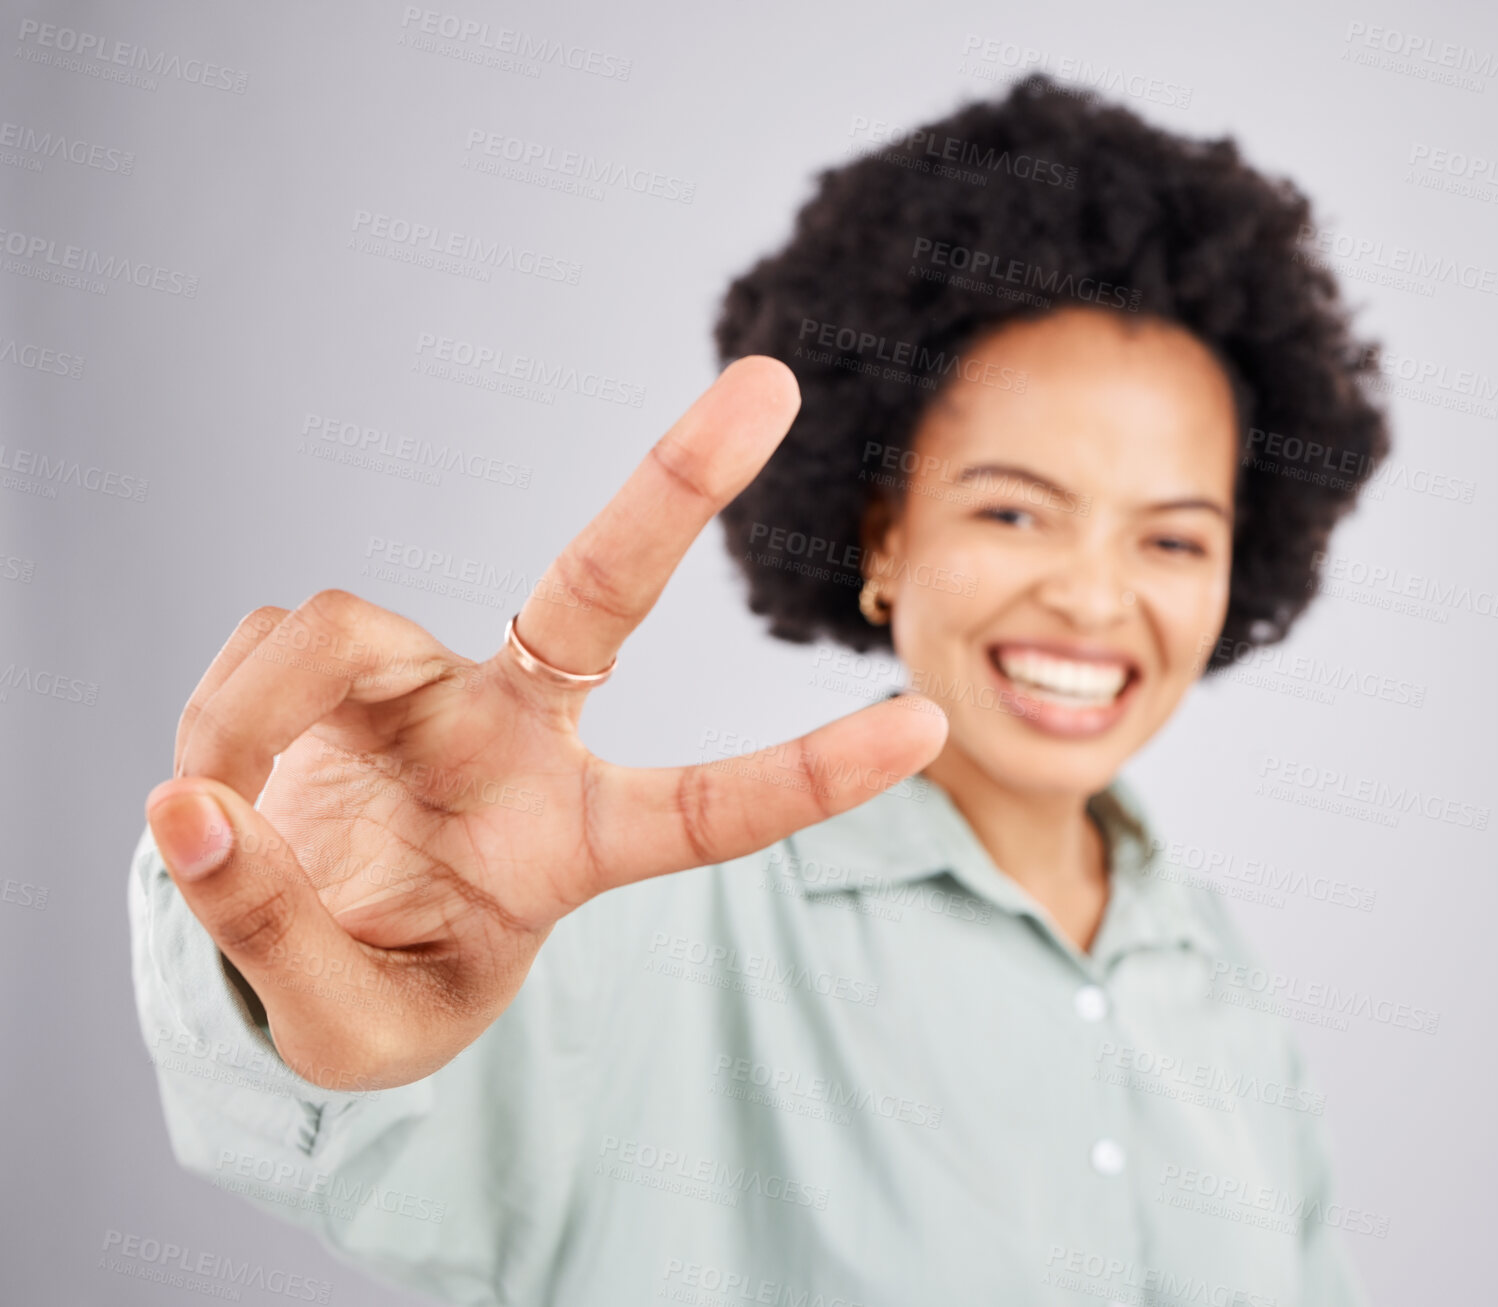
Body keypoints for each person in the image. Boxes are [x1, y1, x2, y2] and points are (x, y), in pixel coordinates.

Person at [130, 74, 1389, 1305]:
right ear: (881, 535)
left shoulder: (1217, 976)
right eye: (1013, 509)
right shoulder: (647, 932)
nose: (1095, 598)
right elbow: (355, 1119)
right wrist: (310, 951)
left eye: (1171, 537)